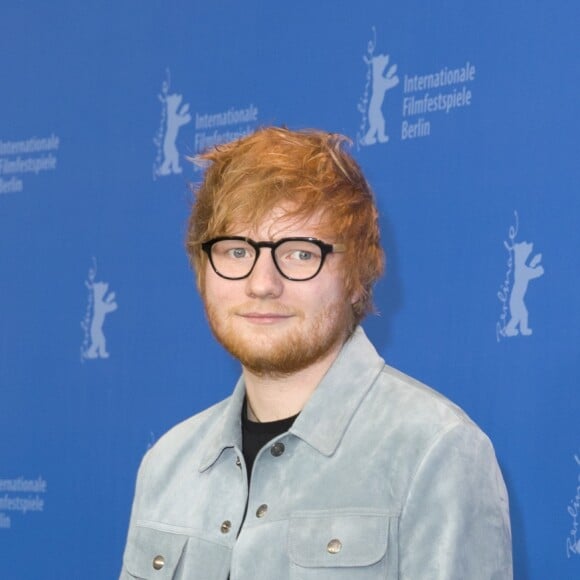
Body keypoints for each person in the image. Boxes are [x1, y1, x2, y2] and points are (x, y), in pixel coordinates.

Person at [120, 127, 513, 579]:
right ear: (202, 270)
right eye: (234, 250)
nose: (262, 283)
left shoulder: (436, 453)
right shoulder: (168, 464)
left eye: (300, 254)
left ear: (356, 276)